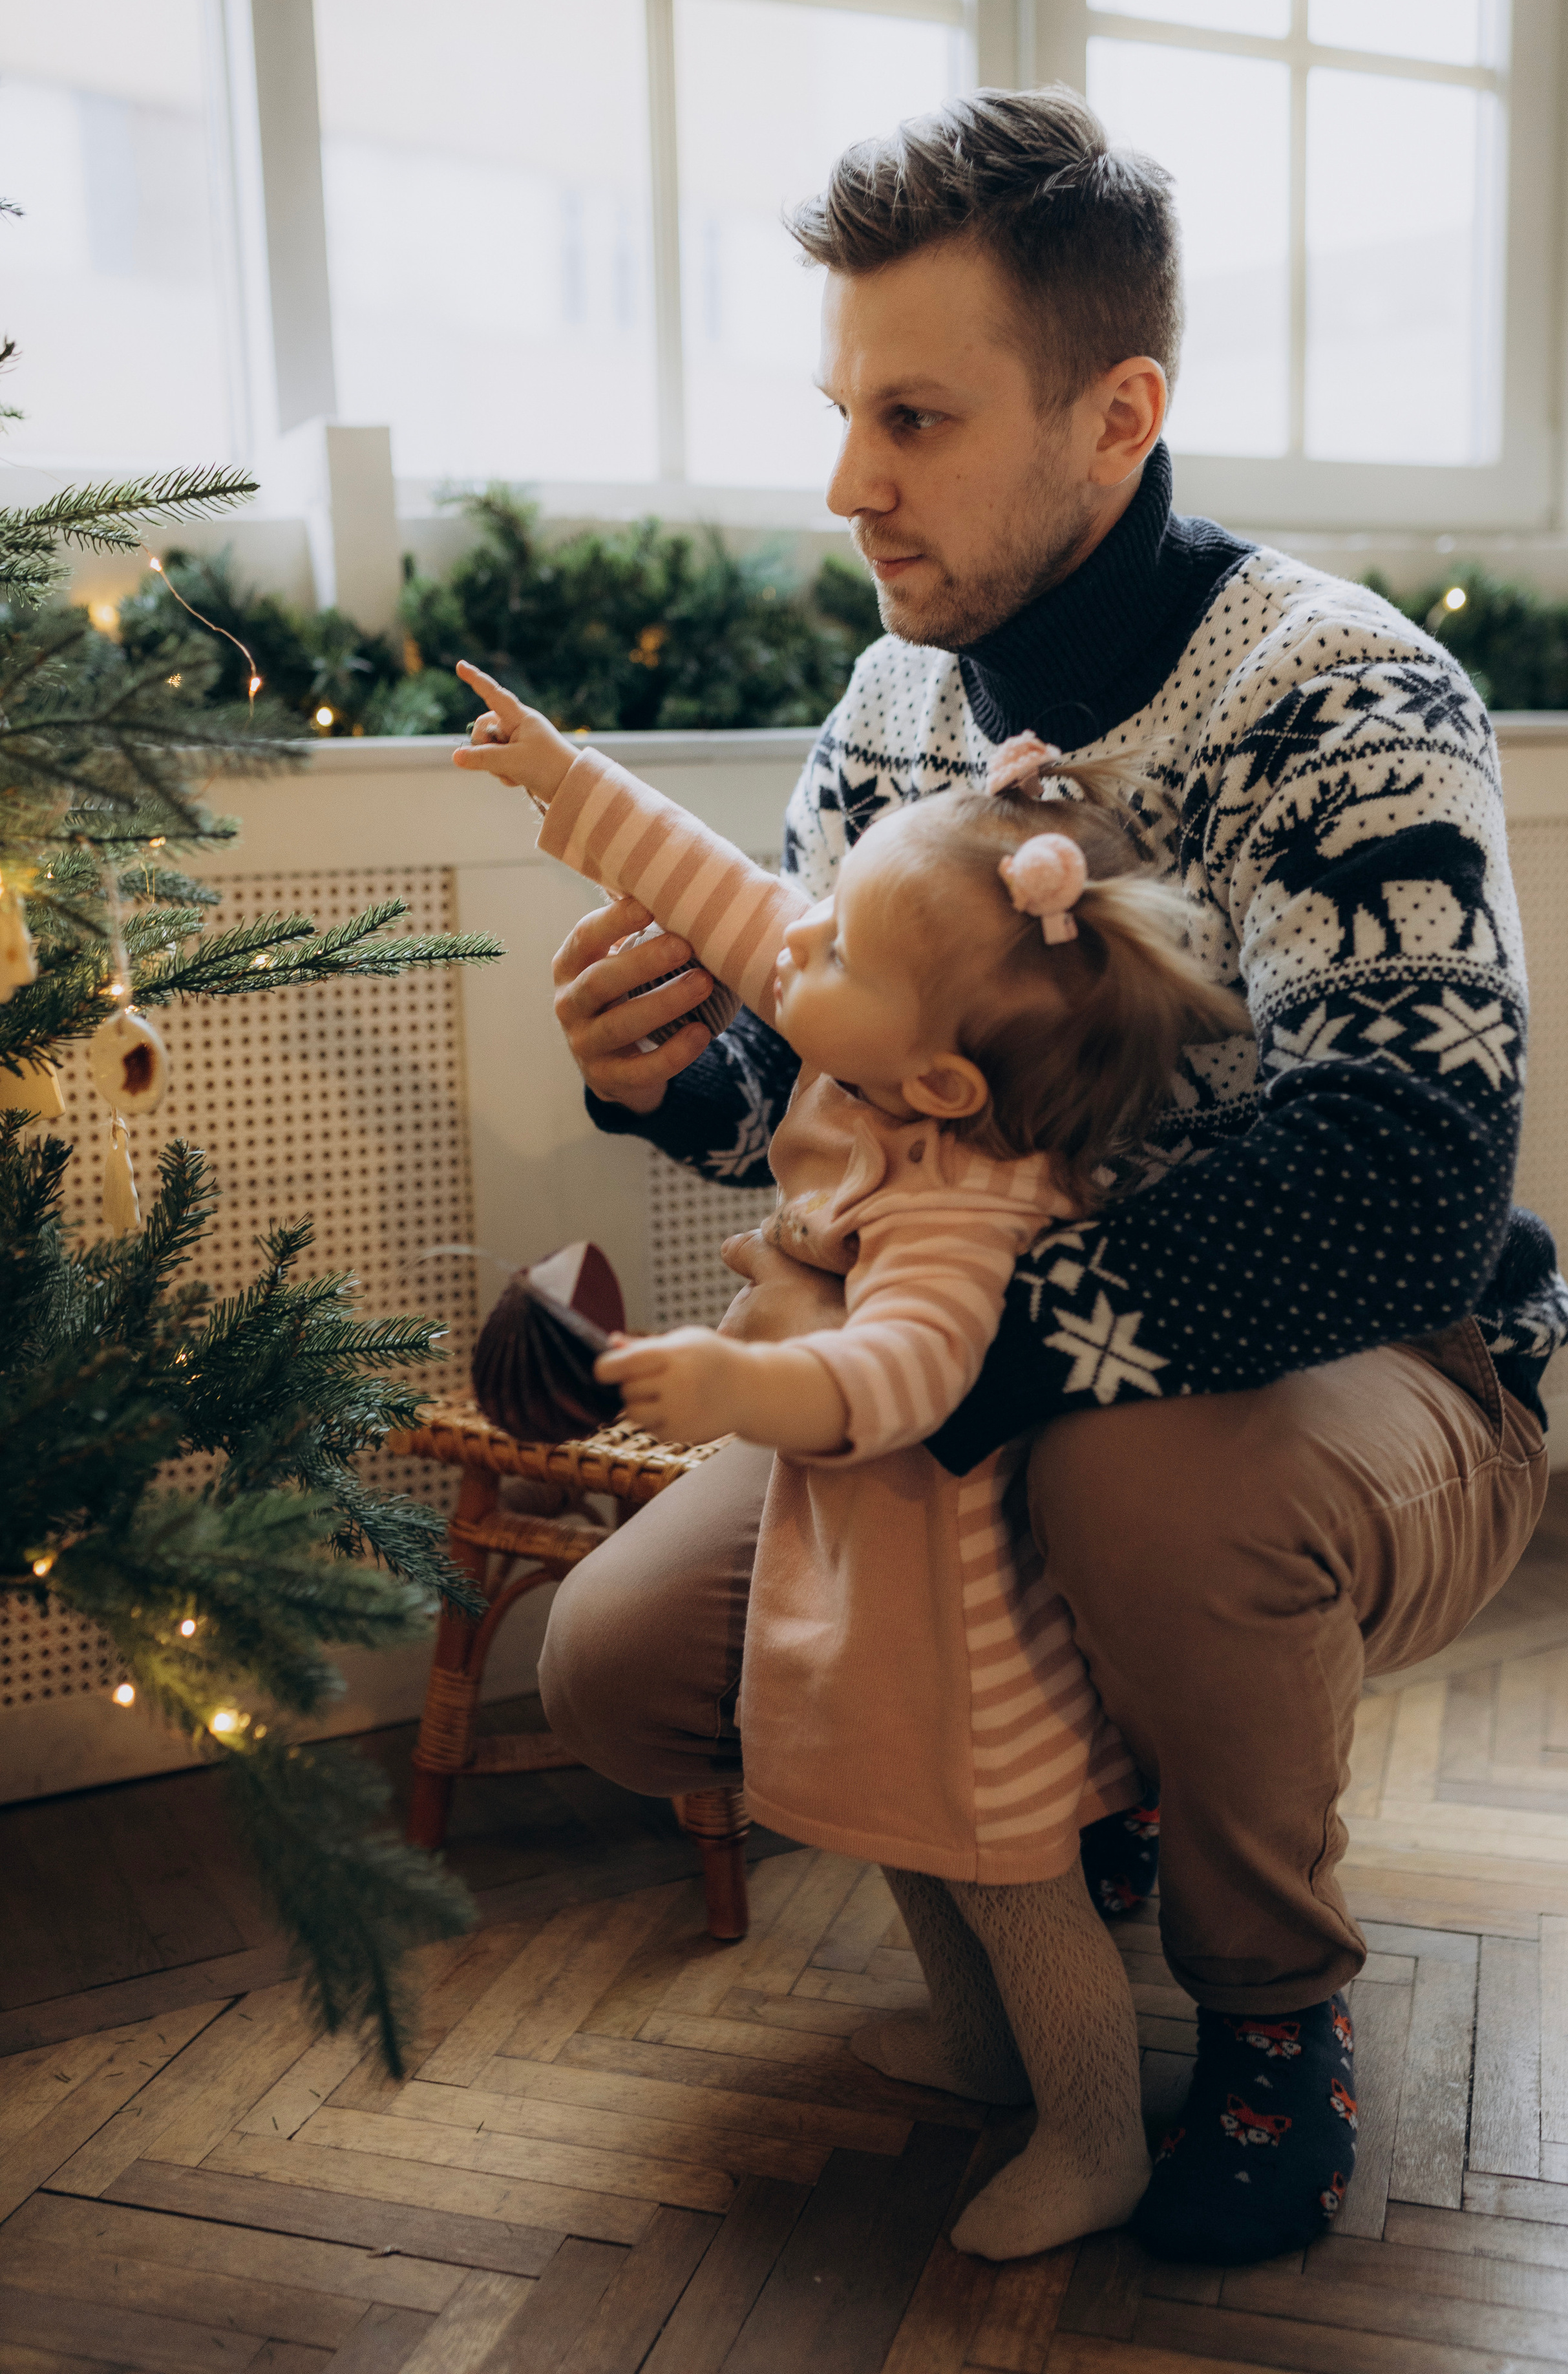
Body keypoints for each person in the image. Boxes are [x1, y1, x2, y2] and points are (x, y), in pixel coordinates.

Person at [529, 88, 1568, 2266]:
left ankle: (1276, 2015)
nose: (847, 487)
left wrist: (968, 1370)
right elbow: (853, 1098)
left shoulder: (1351, 692)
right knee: (618, 1664)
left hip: (1372, 1369)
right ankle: (1080, 1830)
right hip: (971, 1342)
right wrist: (683, 1083)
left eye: (913, 417)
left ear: (1118, 415)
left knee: (1134, 1486)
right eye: (843, 412)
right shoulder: (897, 693)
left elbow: (1408, 1177)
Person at [456, 665, 1249, 2254]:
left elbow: (897, 1378)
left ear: (945, 1082)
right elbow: (722, 888)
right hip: (861, 1586)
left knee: (1005, 1878)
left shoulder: (965, 1196)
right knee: (896, 1838)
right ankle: (973, 2061)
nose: (790, 938)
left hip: (953, 1631)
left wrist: (741, 1385)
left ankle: (1093, 2135)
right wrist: (567, 777)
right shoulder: (870, 1021)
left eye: (830, 942)